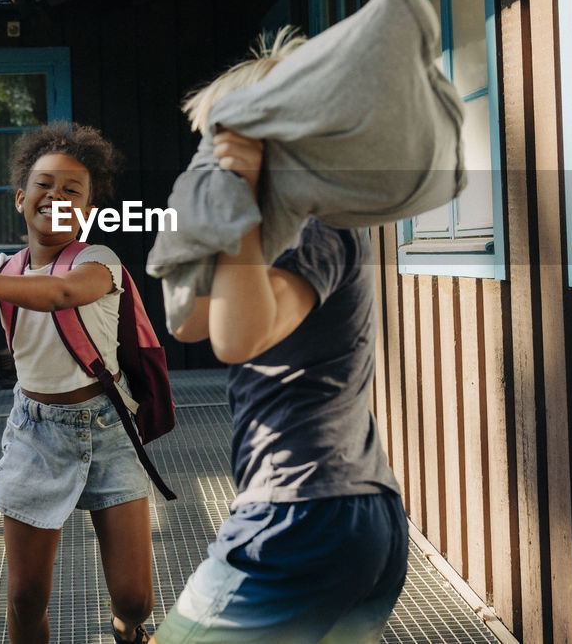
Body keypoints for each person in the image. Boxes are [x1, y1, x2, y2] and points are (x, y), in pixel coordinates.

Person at [154, 33, 409, 644]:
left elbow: (237, 339)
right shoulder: (274, 242)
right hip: (357, 515)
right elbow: (188, 323)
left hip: (302, 516)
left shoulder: (313, 226)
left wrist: (237, 204)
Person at [0, 121, 155, 644]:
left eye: (71, 190)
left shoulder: (97, 262)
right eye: (43, 184)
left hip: (108, 430)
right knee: (25, 597)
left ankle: (129, 631)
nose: (55, 196)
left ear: (86, 212)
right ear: (20, 198)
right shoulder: (3, 269)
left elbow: (60, 293)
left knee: (135, 598)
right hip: (35, 434)